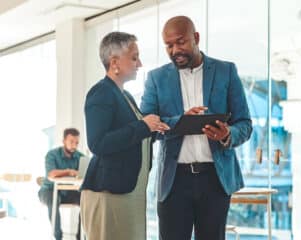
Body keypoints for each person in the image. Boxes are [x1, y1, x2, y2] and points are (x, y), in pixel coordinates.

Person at [140, 16, 252, 240]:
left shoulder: (226, 71)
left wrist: (227, 134)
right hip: (174, 181)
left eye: (180, 42)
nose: (174, 50)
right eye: (169, 45)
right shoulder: (156, 78)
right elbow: (146, 124)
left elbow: (245, 124)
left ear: (196, 38)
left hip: (215, 179)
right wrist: (179, 122)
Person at [80, 31, 169, 240]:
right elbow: (98, 143)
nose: (139, 64)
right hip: (108, 194)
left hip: (128, 192)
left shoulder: (125, 95)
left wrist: (164, 127)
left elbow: (135, 136)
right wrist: (143, 127)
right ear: (114, 62)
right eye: (134, 57)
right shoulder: (101, 93)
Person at [38, 127, 83, 240]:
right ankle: (58, 237)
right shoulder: (52, 154)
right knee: (54, 198)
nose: (74, 145)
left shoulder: (80, 157)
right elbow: (51, 174)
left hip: (68, 192)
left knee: (86, 199)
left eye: (76, 142)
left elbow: (85, 172)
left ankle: (81, 236)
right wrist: (68, 171)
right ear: (64, 141)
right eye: (71, 142)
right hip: (48, 190)